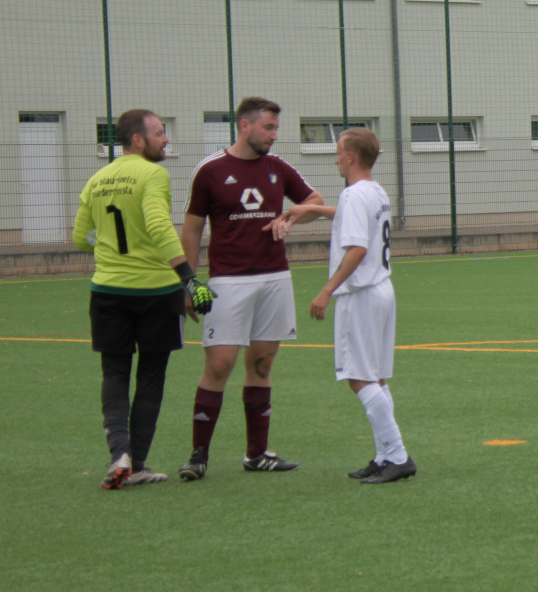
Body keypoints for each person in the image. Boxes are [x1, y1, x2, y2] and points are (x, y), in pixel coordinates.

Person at [178, 97, 324, 480]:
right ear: (245, 125)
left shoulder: (278, 168)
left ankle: (257, 455)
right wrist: (188, 283)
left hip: (275, 279)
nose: (274, 135)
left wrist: (290, 217)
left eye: (276, 128)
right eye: (268, 128)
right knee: (219, 364)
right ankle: (198, 456)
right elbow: (191, 229)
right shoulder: (210, 170)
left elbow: (315, 202)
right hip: (228, 281)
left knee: (262, 364)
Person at [73, 109, 216, 489]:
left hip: (107, 291)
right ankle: (136, 463)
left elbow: (80, 237)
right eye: (159, 133)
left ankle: (119, 454)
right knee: (151, 375)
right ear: (138, 140)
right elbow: (156, 224)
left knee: (115, 373)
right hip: (156, 292)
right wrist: (188, 278)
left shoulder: (96, 179)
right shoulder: (153, 174)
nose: (166, 139)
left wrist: (111, 246)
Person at [285, 128, 415, 484]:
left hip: (359, 294)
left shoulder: (354, 194)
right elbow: (350, 214)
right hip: (382, 289)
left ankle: (398, 455)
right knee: (376, 377)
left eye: (338, 152)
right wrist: (313, 208)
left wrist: (326, 290)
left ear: (351, 157)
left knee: (358, 378)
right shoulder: (374, 190)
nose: (335, 159)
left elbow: (357, 248)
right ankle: (385, 455)